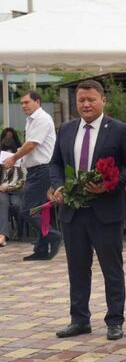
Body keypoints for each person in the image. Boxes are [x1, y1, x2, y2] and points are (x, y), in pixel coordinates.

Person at [49, 79, 126, 341]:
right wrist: (58, 186)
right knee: (77, 267)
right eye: (81, 100)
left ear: (103, 101)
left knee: (111, 268)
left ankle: (115, 321)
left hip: (107, 210)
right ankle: (79, 320)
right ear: (76, 103)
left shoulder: (119, 129)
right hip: (72, 211)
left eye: (91, 99)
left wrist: (111, 185)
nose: (86, 104)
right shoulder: (65, 130)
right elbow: (55, 164)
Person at [3, 90, 61, 261]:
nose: (23, 106)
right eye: (21, 103)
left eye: (26, 102)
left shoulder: (41, 119)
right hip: (38, 170)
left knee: (27, 210)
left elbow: (32, 145)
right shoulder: (33, 120)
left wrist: (14, 157)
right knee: (39, 211)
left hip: (43, 170)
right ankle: (41, 249)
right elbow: (30, 146)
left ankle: (53, 235)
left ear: (38, 102)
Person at [0, 159, 25, 247]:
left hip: (16, 191)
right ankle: (2, 235)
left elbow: (24, 179)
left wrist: (19, 184)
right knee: (3, 203)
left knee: (17, 205)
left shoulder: (20, 162)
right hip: (2, 191)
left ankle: (21, 232)